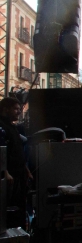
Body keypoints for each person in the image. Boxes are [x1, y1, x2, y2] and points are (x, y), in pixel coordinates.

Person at [0, 97, 30, 228]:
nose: (18, 112)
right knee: (9, 208)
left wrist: (26, 170)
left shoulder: (13, 127)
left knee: (19, 206)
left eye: (19, 109)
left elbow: (18, 150)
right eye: (15, 109)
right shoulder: (1, 126)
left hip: (19, 174)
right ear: (5, 109)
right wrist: (5, 172)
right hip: (9, 176)